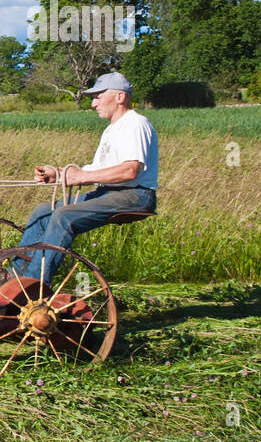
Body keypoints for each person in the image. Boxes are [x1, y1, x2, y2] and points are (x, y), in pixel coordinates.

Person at [11, 72, 158, 285]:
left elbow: (129, 171)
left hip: (135, 194)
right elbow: (99, 169)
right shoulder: (111, 130)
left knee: (63, 216)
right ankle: (15, 276)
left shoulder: (136, 124)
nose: (93, 103)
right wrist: (58, 175)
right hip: (109, 192)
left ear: (119, 97)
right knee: (42, 212)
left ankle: (34, 284)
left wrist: (82, 177)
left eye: (98, 96)